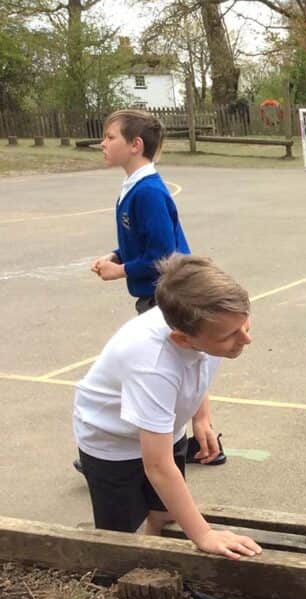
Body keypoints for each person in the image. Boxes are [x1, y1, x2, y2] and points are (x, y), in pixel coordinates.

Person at [73, 255, 261, 561]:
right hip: (113, 443)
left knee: (164, 513)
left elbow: (195, 370)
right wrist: (204, 535)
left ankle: (159, 565)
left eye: (245, 324)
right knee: (118, 537)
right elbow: (158, 466)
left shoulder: (210, 329)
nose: (246, 338)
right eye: (231, 335)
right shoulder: (152, 363)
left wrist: (201, 418)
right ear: (182, 339)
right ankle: (119, 581)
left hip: (163, 427)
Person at [87, 108, 225, 467]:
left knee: (172, 369)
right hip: (158, 294)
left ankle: (185, 442)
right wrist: (116, 255)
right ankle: (192, 438)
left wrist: (120, 272)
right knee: (173, 368)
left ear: (135, 145)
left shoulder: (147, 192)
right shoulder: (133, 187)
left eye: (110, 137)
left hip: (167, 296)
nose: (102, 143)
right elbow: (143, 242)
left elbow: (164, 254)